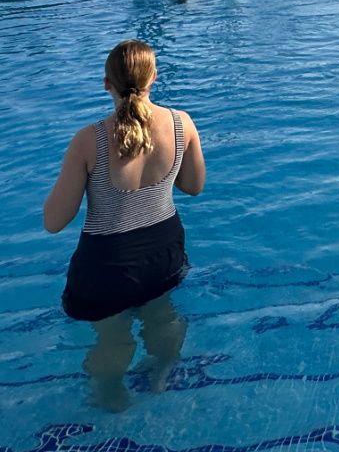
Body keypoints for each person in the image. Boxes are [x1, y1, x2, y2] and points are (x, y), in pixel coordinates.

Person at [43, 40, 205, 411]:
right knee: (162, 318)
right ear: (153, 78)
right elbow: (194, 187)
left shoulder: (90, 140)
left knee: (113, 340)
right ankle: (162, 372)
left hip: (108, 265)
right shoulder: (182, 123)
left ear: (106, 83)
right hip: (164, 252)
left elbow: (54, 222)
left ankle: (113, 400)